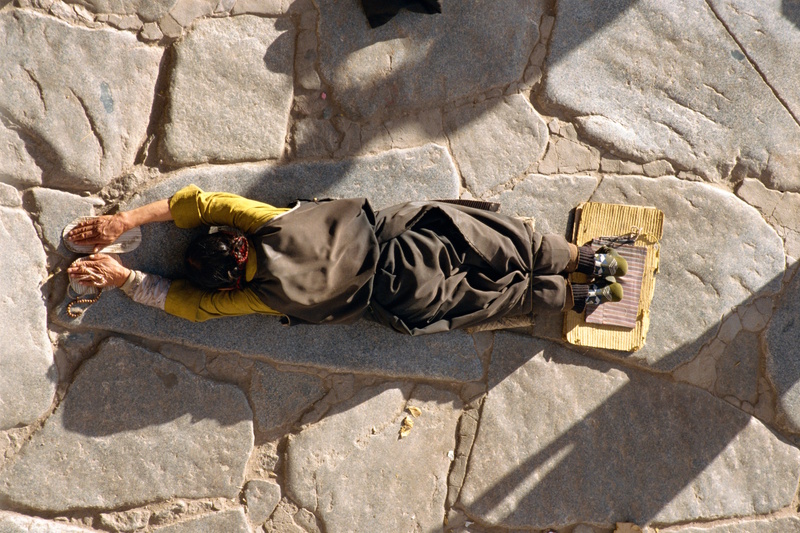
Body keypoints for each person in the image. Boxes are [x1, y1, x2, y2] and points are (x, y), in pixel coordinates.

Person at [67, 185, 626, 335]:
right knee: (503, 240)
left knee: (497, 297)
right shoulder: (265, 221)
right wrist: (128, 222)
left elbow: (187, 306)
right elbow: (202, 202)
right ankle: (589, 256)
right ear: (236, 243)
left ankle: (582, 296)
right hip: (413, 241)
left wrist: (125, 278)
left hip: (404, 296)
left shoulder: (255, 297)